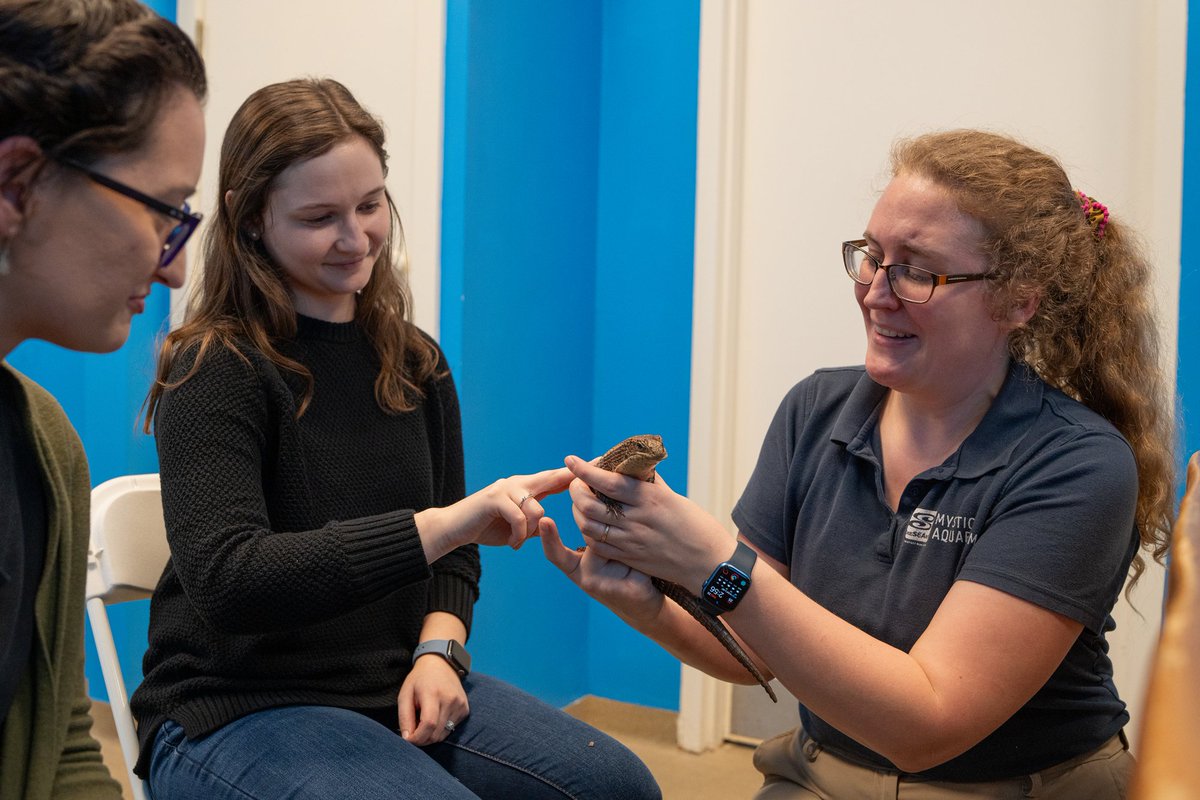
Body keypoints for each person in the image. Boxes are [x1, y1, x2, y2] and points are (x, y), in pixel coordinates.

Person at [542, 129, 1176, 798]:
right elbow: (754, 644)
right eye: (872, 257)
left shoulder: (1076, 464)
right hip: (820, 774)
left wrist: (713, 562)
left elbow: (927, 725)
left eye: (918, 270)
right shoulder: (816, 411)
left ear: (1019, 299)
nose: (877, 291)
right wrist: (644, 602)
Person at [130, 77, 660, 800]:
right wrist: (444, 524)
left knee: (615, 785)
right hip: (237, 705)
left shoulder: (415, 360)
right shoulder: (215, 366)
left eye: (370, 204)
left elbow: (454, 558)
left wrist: (441, 650)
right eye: (320, 217)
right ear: (249, 217)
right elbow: (232, 580)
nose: (357, 239)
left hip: (393, 682)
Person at [0, 1, 205, 798]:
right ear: (17, 182)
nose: (176, 270)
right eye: (163, 210)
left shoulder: (44, 447)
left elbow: (61, 751)